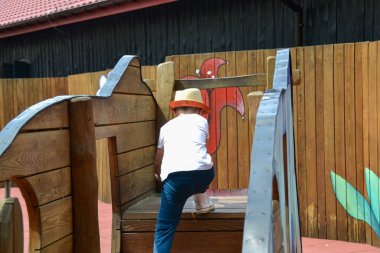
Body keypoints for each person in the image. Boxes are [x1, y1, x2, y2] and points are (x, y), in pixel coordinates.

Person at [153, 88, 215, 253]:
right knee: (203, 164)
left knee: (165, 227)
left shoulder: (166, 127)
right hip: (203, 175)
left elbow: (158, 158)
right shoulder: (202, 122)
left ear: (174, 111)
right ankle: (201, 200)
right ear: (200, 110)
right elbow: (200, 149)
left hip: (174, 180)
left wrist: (158, 174)